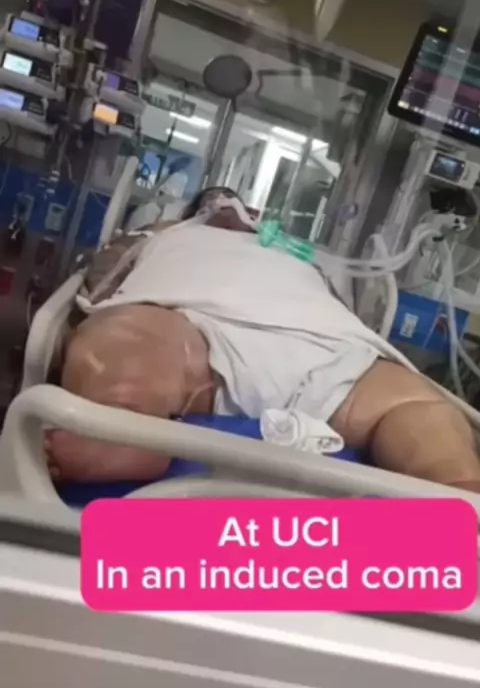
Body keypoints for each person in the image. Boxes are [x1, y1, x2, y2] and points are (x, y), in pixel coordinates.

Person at [46, 188, 480, 494]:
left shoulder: (294, 252)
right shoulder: (166, 233)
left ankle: (458, 490)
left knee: (409, 402)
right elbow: (105, 278)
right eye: (214, 199)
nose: (227, 205)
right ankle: (124, 426)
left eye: (233, 200)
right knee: (132, 337)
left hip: (321, 342)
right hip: (195, 322)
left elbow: (335, 295)